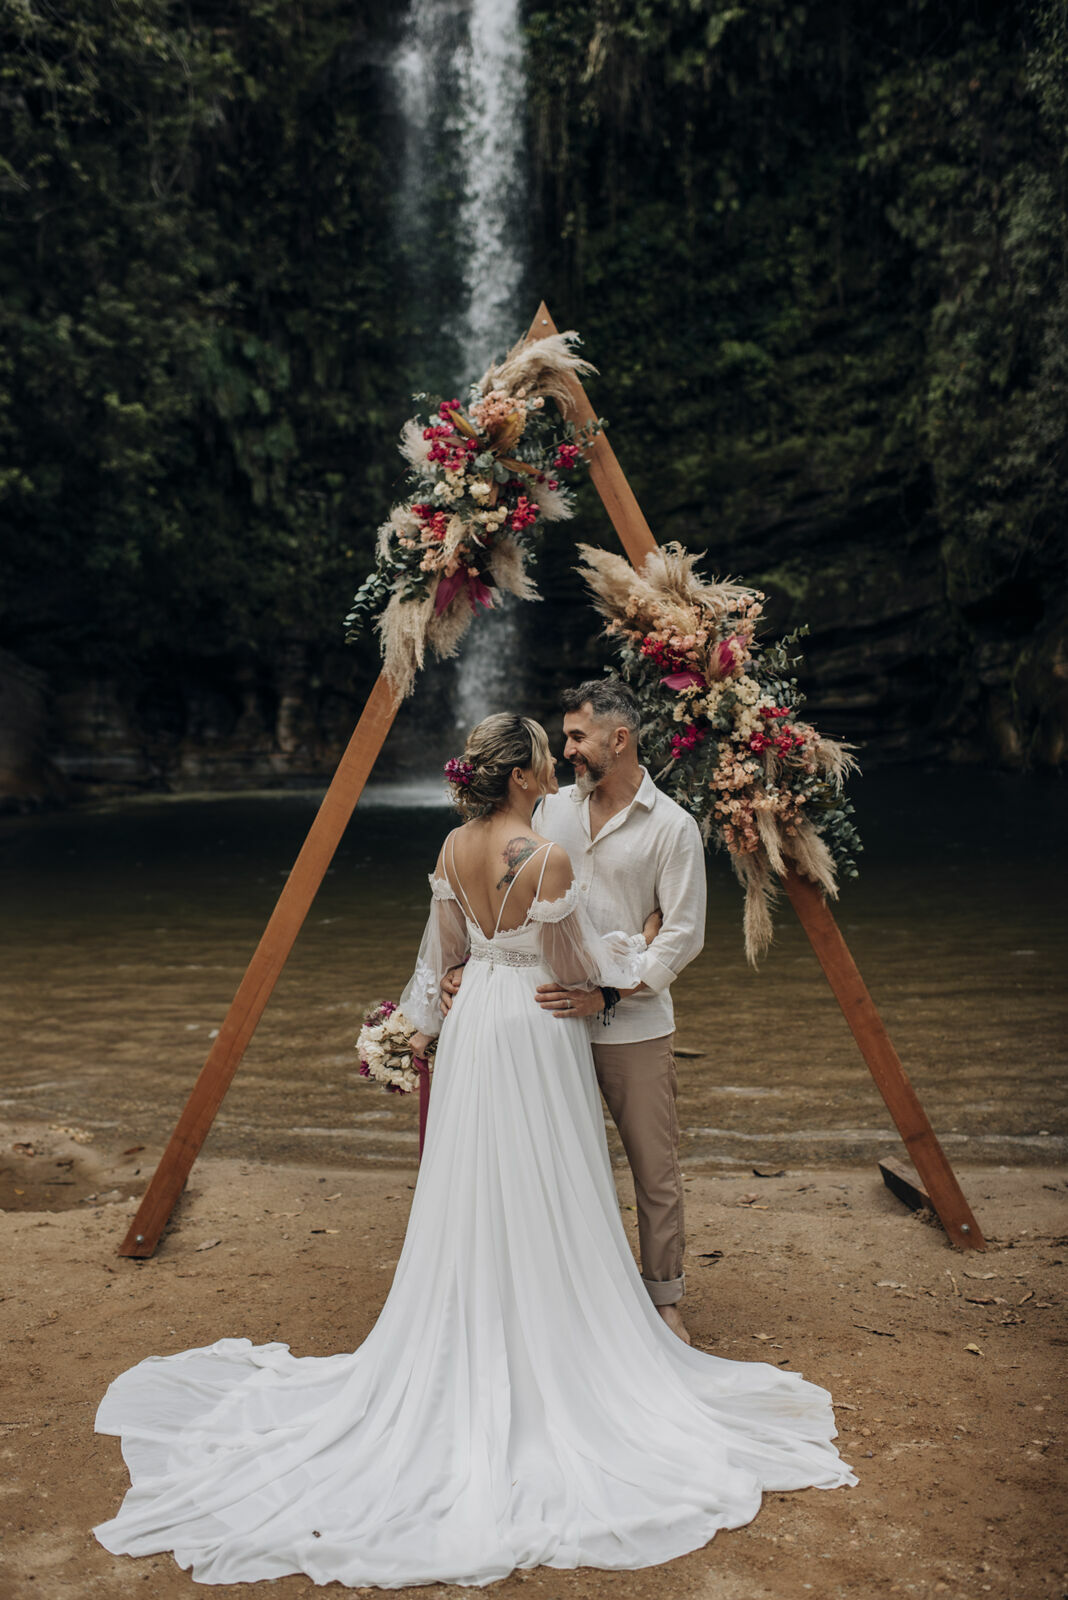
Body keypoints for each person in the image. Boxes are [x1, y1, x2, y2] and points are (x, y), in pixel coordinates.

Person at [93, 713, 854, 1590]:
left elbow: (443, 957)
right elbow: (574, 965)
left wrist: (420, 1025)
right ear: (524, 776)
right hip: (536, 1026)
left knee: (475, 1181)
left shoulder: (453, 847)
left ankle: (475, 1325)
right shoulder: (547, 858)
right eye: (545, 754)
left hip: (476, 1029)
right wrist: (639, 945)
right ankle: (555, 1331)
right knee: (549, 1180)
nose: (555, 761)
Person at [444, 677, 705, 1345]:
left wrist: (612, 990)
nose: (566, 751)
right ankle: (558, 1301)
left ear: (619, 739)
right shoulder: (548, 810)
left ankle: (664, 1299)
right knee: (546, 1166)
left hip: (631, 1024)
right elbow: (503, 894)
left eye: (577, 737)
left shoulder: (673, 828)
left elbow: (683, 934)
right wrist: (462, 967)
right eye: (561, 739)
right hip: (545, 1024)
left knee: (653, 1166)